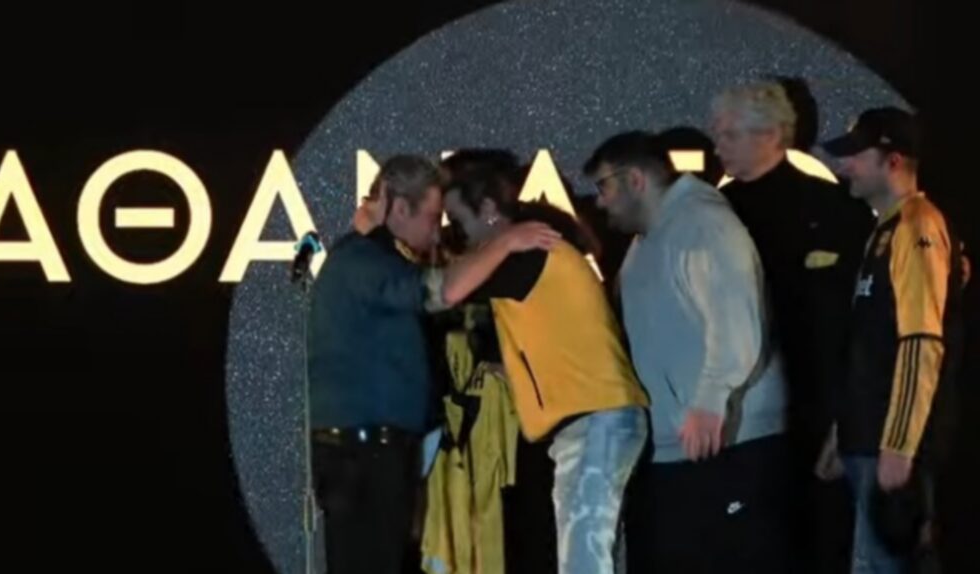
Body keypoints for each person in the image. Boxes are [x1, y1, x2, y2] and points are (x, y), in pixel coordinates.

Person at [307, 154, 559, 574]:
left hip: (372, 452)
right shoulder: (363, 261)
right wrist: (506, 242)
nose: (437, 230)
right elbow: (438, 292)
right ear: (399, 208)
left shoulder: (371, 260)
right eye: (432, 217)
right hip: (364, 457)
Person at [585, 130, 790, 573]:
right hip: (679, 445)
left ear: (635, 180)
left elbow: (734, 316)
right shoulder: (647, 240)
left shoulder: (702, 224)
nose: (599, 202)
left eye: (604, 187)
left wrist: (710, 402)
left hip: (724, 442)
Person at [441, 162, 650, 574]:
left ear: (488, 209)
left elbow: (447, 289)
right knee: (582, 557)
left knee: (584, 560)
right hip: (591, 420)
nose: (454, 232)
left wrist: (503, 242)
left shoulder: (527, 253)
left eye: (457, 219)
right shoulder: (528, 255)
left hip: (597, 419)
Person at [711, 80, 873, 572]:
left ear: (771, 134)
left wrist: (846, 419)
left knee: (817, 544)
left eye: (730, 135)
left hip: (815, 413)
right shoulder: (711, 215)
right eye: (716, 134)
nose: (718, 147)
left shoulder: (833, 209)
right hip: (738, 417)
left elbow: (862, 324)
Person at [817, 107, 964, 573]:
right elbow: (869, 340)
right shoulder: (886, 229)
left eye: (856, 155)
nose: (845, 166)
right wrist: (843, 431)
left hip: (888, 443)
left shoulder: (917, 226)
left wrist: (899, 444)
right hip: (867, 438)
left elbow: (921, 341)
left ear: (893, 161)